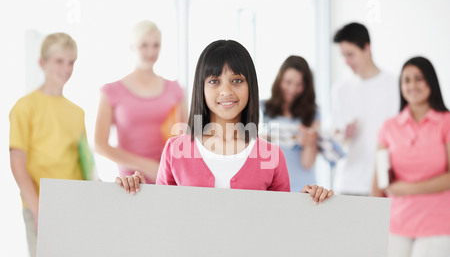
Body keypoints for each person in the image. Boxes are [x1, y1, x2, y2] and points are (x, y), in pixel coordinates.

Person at [116, 40, 333, 205]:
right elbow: (162, 214)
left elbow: (280, 224)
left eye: (237, 80)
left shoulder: (272, 157)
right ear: (201, 88)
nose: (226, 91)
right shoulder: (175, 150)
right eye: (214, 81)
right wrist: (139, 194)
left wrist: (305, 204)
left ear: (251, 87)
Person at [372, 56, 450, 257]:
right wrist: (372, 222)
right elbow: (379, 181)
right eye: (406, 80)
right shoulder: (389, 126)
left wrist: (405, 188)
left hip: (436, 224)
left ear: (431, 82)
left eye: (418, 78)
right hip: (396, 223)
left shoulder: (446, 123)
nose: (412, 85)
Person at [9, 32, 87, 257]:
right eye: (59, 61)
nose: (66, 68)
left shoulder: (77, 112)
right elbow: (17, 163)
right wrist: (37, 208)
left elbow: (85, 164)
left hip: (74, 207)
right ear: (42, 63)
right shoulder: (25, 107)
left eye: (71, 61)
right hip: (40, 206)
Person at [95, 20, 188, 184]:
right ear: (132, 46)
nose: (151, 51)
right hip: (130, 183)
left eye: (156, 45)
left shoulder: (176, 90)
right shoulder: (112, 91)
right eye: (144, 45)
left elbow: (187, 139)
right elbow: (100, 144)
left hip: (169, 179)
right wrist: (148, 166)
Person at [331, 22, 399, 196]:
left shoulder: (394, 85)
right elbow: (334, 138)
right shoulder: (341, 90)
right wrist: (343, 135)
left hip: (383, 182)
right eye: (343, 56)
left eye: (350, 54)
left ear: (367, 48)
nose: (346, 61)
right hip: (348, 182)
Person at [261, 55, 319, 192]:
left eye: (299, 85)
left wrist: (310, 143)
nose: (292, 89)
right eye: (288, 82)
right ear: (279, 80)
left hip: (303, 187)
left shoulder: (313, 113)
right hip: (273, 187)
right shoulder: (262, 108)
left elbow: (307, 163)